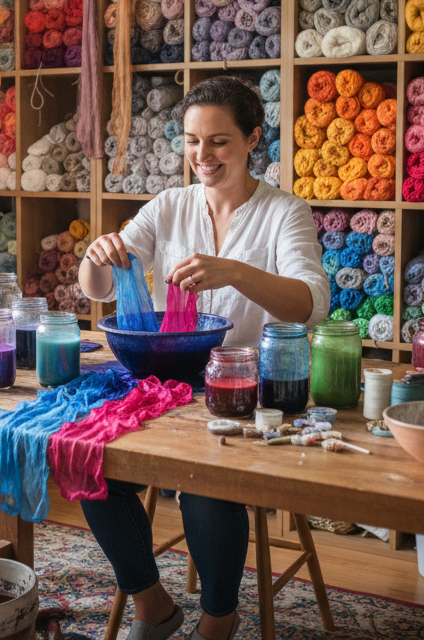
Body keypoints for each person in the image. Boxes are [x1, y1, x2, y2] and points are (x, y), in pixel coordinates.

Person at [79, 76, 329, 640]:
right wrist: (99, 255)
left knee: (205, 482)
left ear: (252, 139)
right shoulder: (169, 206)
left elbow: (310, 304)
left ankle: (219, 618)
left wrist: (234, 271)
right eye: (193, 141)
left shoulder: (285, 212)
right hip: (168, 385)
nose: (203, 155)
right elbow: (97, 286)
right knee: (90, 464)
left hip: (247, 393)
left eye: (218, 141)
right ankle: (151, 602)